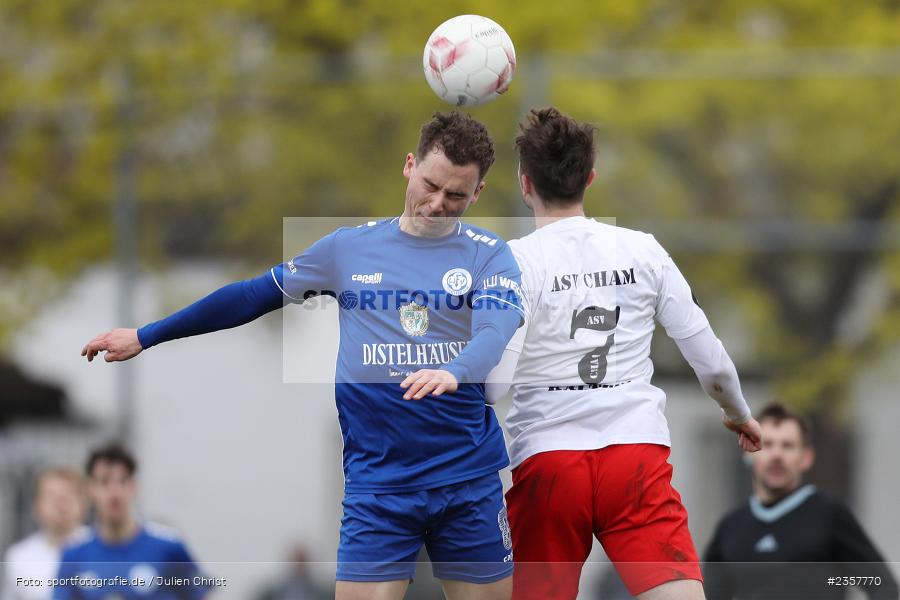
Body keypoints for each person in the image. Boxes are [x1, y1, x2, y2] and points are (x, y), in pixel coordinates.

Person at [81, 111, 525, 600]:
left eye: (456, 196)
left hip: (466, 480)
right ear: (408, 166)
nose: (437, 203)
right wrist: (147, 334)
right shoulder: (347, 250)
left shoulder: (488, 254)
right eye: (430, 184)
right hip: (378, 486)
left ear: (478, 194)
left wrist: (456, 370)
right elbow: (251, 296)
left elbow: (495, 327)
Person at [484, 107, 762, 600]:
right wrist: (739, 413)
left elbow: (494, 385)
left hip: (549, 464)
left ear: (525, 183)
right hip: (633, 457)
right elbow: (711, 362)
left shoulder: (513, 262)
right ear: (590, 178)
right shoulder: (642, 250)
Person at [703, 402, 899, 599]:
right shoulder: (731, 527)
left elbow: (881, 584)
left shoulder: (829, 515)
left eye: (787, 446)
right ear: (747, 451)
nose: (777, 455)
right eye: (767, 444)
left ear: (806, 457)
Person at [53, 444, 209, 599]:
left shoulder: (168, 545)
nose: (114, 493)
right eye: (104, 482)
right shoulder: (74, 553)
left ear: (134, 487)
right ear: (90, 490)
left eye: (122, 481)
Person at [2, 468, 88, 600]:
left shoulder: (106, 546)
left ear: (83, 504)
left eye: (68, 495)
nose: (61, 504)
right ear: (36, 506)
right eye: (52, 496)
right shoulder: (17, 558)